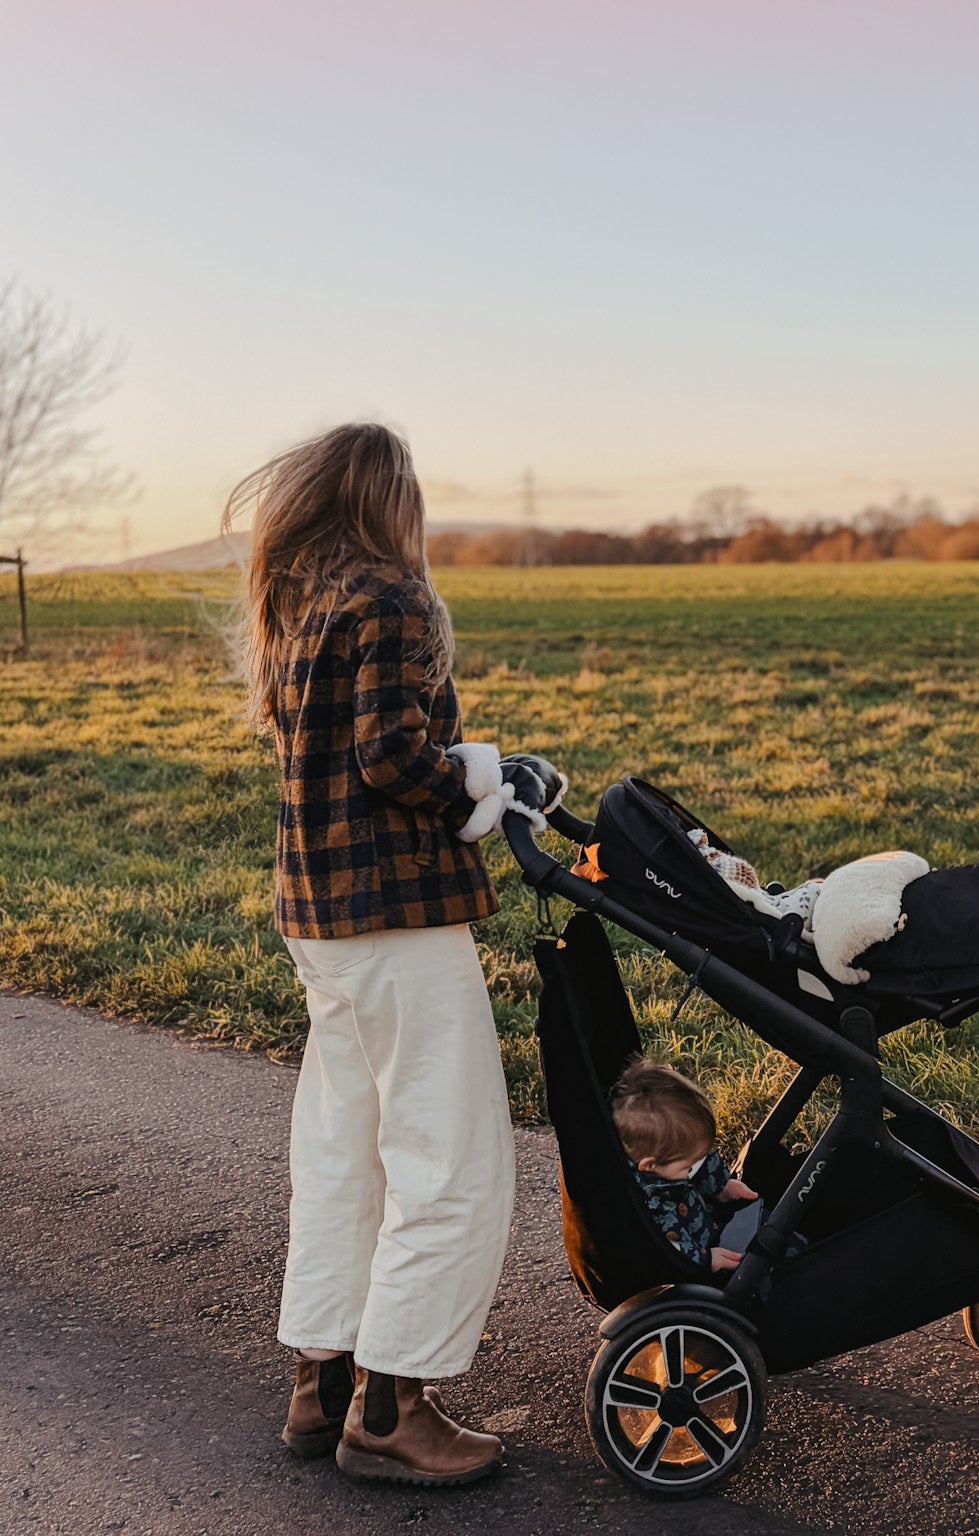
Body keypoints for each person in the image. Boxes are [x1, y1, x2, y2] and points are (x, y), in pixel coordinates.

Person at [226, 422, 522, 1487]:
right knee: (449, 1156)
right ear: (388, 498)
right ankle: (394, 1411)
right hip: (395, 918)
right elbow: (392, 755)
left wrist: (473, 765)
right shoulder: (394, 597)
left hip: (319, 922)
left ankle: (324, 1377)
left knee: (342, 1151)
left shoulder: (298, 608)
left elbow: (345, 758)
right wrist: (479, 794)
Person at [610, 1058, 758, 1272]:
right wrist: (706, 1259)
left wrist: (721, 1187)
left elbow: (702, 1164)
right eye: (688, 1166)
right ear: (649, 1166)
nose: (694, 1166)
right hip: (703, 1255)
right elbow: (671, 1251)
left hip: (709, 1223)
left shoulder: (670, 1159)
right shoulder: (654, 1206)